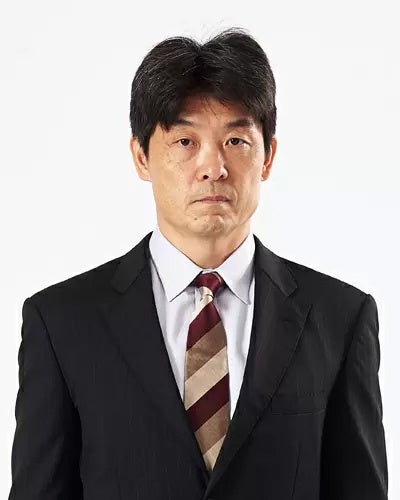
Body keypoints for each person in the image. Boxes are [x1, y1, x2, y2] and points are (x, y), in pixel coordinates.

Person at [8, 27, 388, 500]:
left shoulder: (339, 319)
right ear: (141, 156)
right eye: (185, 141)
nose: (213, 167)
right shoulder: (62, 323)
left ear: (268, 156)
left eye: (236, 141)